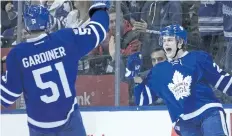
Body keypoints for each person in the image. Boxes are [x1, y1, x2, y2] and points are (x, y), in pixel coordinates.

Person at [0, 1, 109, 136]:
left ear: (26, 26)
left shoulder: (17, 55)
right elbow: (98, 30)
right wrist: (99, 7)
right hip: (70, 123)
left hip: (39, 128)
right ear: (48, 23)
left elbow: (5, 97)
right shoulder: (66, 38)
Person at [127, 24, 232, 136]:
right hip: (184, 123)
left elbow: (223, 81)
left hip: (208, 112)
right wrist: (135, 75)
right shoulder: (158, 71)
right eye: (164, 40)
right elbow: (142, 99)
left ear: (180, 42)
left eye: (170, 40)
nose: (165, 43)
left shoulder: (198, 58)